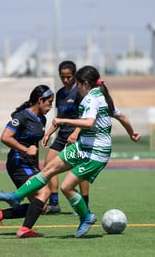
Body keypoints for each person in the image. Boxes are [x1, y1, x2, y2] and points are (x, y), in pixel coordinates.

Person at [0, 65, 141, 238]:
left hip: (96, 153)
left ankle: (86, 217)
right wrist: (132, 133)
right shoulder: (102, 96)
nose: (75, 87)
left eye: (77, 83)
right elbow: (120, 116)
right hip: (83, 146)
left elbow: (89, 123)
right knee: (49, 169)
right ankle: (15, 196)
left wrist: (62, 121)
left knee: (66, 186)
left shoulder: (91, 99)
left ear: (85, 83)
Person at [0, 85, 54, 238]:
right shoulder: (22, 116)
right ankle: (24, 229)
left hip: (30, 165)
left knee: (41, 206)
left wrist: (37, 168)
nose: (51, 106)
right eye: (49, 102)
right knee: (44, 192)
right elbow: (5, 137)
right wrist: (25, 150)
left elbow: (34, 146)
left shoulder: (42, 119)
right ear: (40, 100)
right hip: (18, 163)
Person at [42, 60, 90, 215]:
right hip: (62, 135)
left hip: (77, 134)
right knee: (48, 165)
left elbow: (85, 118)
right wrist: (48, 132)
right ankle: (54, 203)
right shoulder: (60, 94)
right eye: (63, 77)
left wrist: (76, 133)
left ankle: (84, 204)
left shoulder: (79, 92)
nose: (66, 80)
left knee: (79, 169)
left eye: (69, 77)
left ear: (74, 76)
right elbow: (59, 117)